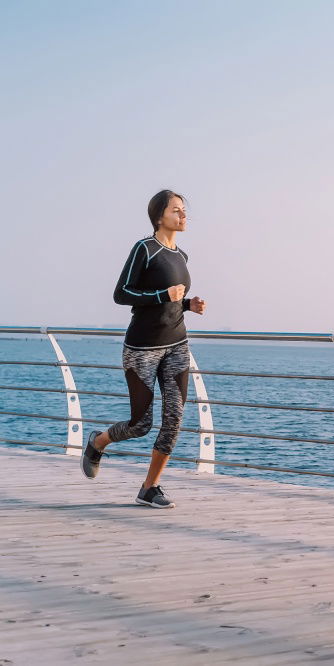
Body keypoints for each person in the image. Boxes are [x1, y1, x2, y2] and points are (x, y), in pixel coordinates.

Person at [80, 190, 207, 508]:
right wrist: (164, 294)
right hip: (142, 349)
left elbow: (170, 302)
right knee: (140, 424)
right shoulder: (144, 249)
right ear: (158, 216)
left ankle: (150, 487)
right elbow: (121, 293)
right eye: (176, 210)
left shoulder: (182, 255)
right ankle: (98, 441)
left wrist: (188, 304)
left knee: (174, 418)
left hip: (177, 345)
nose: (182, 215)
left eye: (184, 210)